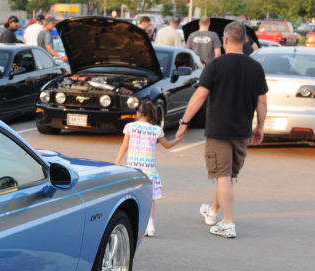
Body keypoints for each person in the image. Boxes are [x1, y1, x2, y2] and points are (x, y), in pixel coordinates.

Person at [175, 21, 267, 239]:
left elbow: (200, 95)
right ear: (244, 41)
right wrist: (260, 126)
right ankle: (213, 210)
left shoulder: (215, 65)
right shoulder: (256, 67)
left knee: (223, 176)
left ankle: (227, 223)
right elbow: (262, 102)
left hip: (219, 130)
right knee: (227, 175)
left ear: (225, 40)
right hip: (242, 130)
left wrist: (184, 122)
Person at [113, 100, 179, 237]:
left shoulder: (130, 127)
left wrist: (117, 162)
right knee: (150, 198)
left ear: (140, 113)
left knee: (132, 198)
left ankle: (134, 224)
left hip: (133, 170)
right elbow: (167, 145)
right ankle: (150, 225)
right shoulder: (156, 130)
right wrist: (178, 139)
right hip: (149, 170)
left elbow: (124, 146)